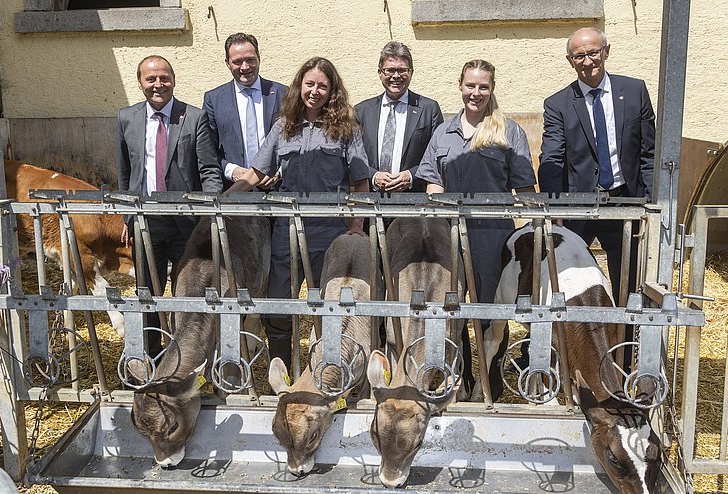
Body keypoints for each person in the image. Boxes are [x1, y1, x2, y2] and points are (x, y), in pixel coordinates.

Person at [230, 57, 371, 370]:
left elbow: (360, 181)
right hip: (288, 232)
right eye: (310, 84)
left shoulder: (346, 128)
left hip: (329, 234)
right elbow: (255, 173)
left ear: (332, 90)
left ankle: (327, 374)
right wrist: (222, 201)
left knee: (328, 309)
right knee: (279, 306)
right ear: (299, 86)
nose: (315, 91)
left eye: (323, 85)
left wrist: (357, 224)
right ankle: (283, 372)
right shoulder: (284, 126)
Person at [416, 59, 537, 398]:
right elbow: (432, 183)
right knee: (450, 313)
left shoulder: (508, 131)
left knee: (489, 314)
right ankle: (460, 381)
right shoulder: (443, 132)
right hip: (448, 238)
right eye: (471, 85)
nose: (476, 92)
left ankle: (490, 386)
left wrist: (531, 234)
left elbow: (525, 189)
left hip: (491, 238)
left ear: (492, 88)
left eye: (483, 86)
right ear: (460, 85)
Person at [538, 27, 655, 304]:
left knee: (629, 286)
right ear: (570, 60)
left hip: (626, 204)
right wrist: (555, 209)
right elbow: (551, 160)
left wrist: (651, 203)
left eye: (593, 53)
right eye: (579, 56)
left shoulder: (635, 91)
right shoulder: (557, 104)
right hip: (577, 209)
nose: (588, 61)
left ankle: (628, 346)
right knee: (565, 281)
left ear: (606, 52)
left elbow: (648, 153)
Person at [117, 55, 223, 356]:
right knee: (147, 292)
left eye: (164, 78)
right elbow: (125, 172)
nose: (158, 84)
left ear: (173, 80)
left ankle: (182, 358)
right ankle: (149, 357)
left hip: (186, 223)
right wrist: (128, 216)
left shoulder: (194, 117)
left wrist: (208, 215)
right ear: (140, 83)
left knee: (186, 292)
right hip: (146, 221)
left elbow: (208, 170)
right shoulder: (126, 118)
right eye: (151, 79)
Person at [355, 41, 443, 193]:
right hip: (371, 204)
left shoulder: (429, 109)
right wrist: (373, 176)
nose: (396, 76)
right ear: (380, 73)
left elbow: (438, 157)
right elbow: (352, 157)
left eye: (402, 70)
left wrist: (411, 176)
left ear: (411, 72)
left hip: (414, 203)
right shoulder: (361, 111)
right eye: (390, 70)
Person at [203, 33, 287, 190]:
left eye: (250, 60)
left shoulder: (283, 94)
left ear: (259, 58)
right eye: (237, 61)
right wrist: (232, 171)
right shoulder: (214, 100)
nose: (245, 67)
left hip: (277, 191)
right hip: (234, 190)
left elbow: (295, 142)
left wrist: (280, 171)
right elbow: (207, 151)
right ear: (227, 63)